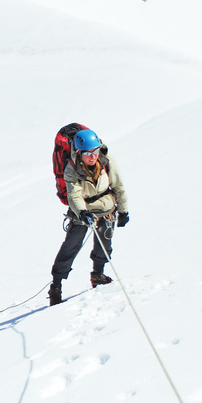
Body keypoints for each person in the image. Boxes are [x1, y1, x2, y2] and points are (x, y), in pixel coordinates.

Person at [49, 128, 129, 305]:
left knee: (104, 243)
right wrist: (82, 211)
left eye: (95, 151)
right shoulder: (71, 168)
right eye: (87, 153)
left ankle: (98, 275)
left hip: (106, 207)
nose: (93, 156)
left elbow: (118, 186)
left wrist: (123, 210)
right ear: (79, 152)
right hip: (82, 211)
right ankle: (56, 286)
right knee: (71, 246)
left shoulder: (108, 161)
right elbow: (74, 195)